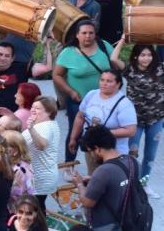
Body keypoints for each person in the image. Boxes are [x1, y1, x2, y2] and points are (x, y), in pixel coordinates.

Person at [53, 21, 113, 161]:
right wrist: (71, 92)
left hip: (104, 100)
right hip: (78, 101)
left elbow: (115, 64)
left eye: (91, 33)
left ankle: (102, 163)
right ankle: (69, 164)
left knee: (103, 132)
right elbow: (57, 75)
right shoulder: (68, 53)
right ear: (77, 35)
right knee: (75, 132)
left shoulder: (104, 46)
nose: (88, 36)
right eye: (84, 33)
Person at [111, 42, 163, 196]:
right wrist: (123, 40)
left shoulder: (160, 69)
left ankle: (144, 183)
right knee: (131, 154)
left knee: (150, 156)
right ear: (135, 56)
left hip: (156, 120)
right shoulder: (130, 70)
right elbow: (113, 59)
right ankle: (131, 185)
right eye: (142, 55)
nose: (146, 58)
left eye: (149, 55)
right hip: (134, 121)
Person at [69, 69, 137, 172]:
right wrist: (73, 138)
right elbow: (80, 116)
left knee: (110, 178)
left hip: (114, 152)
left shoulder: (124, 103)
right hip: (92, 148)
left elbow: (131, 131)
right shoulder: (91, 95)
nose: (104, 84)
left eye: (109, 81)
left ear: (118, 84)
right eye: (102, 80)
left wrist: (101, 134)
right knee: (93, 176)